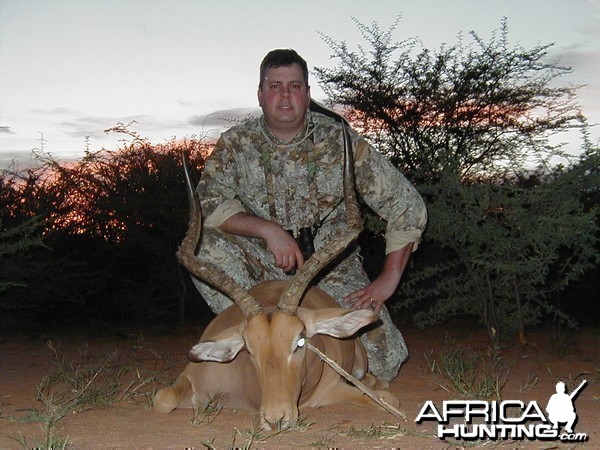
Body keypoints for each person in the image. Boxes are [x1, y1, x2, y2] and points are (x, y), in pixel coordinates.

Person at [192, 48, 427, 381]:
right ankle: (259, 340)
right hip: (263, 270)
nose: (285, 95)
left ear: (307, 93)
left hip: (332, 270)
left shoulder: (342, 141)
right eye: (275, 86)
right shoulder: (234, 144)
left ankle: (302, 350)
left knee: (384, 361)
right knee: (203, 247)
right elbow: (207, 205)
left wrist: (388, 279)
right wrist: (267, 230)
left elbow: (406, 203)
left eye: (295, 86)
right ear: (260, 94)